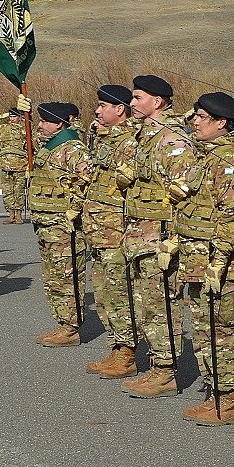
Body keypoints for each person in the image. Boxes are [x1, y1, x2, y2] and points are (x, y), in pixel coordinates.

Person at [172, 92, 234, 425]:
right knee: (205, 330)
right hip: (198, 261)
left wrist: (218, 261)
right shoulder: (207, 157)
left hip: (223, 264)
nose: (194, 121)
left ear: (221, 123)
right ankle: (213, 392)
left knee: (222, 331)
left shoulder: (229, 159)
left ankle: (228, 400)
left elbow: (232, 215)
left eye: (201, 117)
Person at [118, 74, 192, 398]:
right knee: (147, 304)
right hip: (141, 235)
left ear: (157, 102)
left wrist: (173, 240)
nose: (131, 103)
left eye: (137, 97)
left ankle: (165, 371)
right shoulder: (146, 138)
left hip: (159, 238)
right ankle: (157, 364)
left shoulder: (172, 140)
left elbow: (186, 196)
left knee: (161, 303)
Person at [82, 85, 141, 378]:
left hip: (116, 230)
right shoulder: (105, 138)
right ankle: (117, 346)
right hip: (99, 230)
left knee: (120, 293)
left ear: (120, 110)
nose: (97, 111)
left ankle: (128, 353)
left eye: (103, 106)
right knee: (105, 294)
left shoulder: (130, 142)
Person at [27, 102, 91, 345]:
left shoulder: (73, 149)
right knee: (53, 276)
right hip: (46, 223)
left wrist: (72, 213)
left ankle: (72, 327)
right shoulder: (51, 147)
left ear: (60, 124)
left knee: (68, 277)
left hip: (63, 226)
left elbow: (85, 182)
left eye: (44, 121)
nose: (40, 125)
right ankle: (62, 322)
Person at [0, 104, 31, 224]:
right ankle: (11, 214)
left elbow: (32, 143)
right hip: (5, 164)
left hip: (20, 164)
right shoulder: (2, 128)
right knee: (7, 191)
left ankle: (19, 214)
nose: (12, 118)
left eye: (14, 116)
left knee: (19, 190)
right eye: (10, 116)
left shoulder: (25, 127)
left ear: (19, 117)